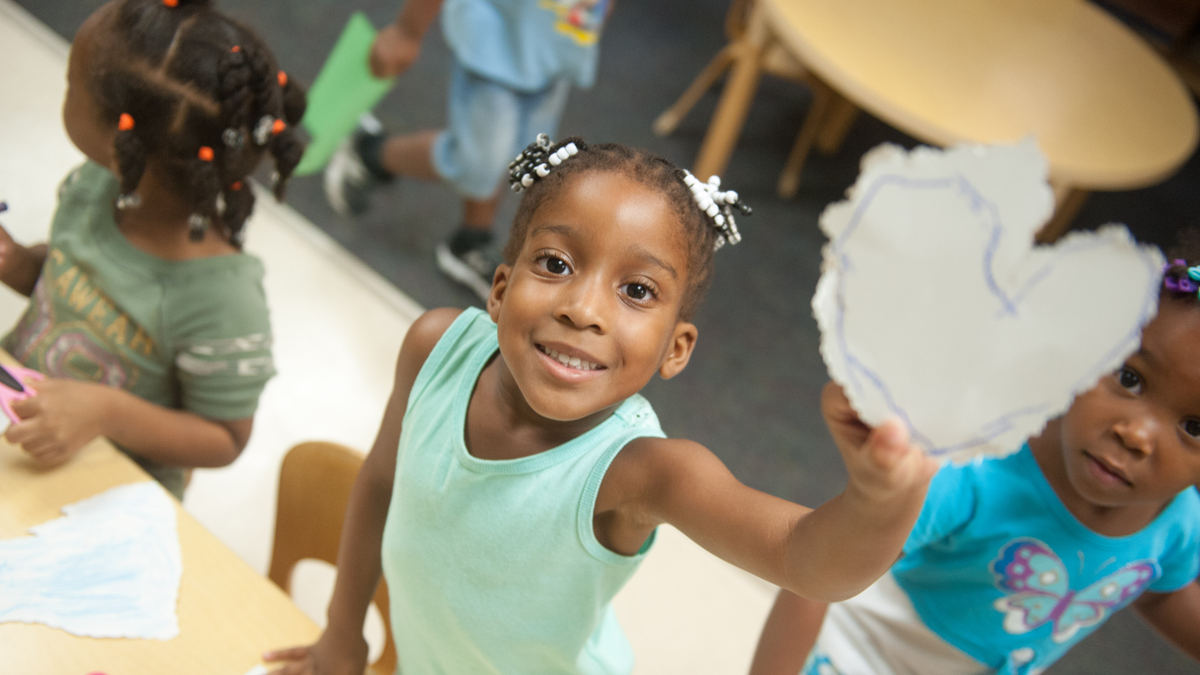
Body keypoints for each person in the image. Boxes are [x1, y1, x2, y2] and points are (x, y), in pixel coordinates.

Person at [264, 136, 938, 675]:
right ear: (499, 288)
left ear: (676, 349)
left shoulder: (642, 472)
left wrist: (883, 499)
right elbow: (381, 480)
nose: (582, 309)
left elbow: (804, 559)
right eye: (555, 264)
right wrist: (343, 632)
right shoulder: (435, 346)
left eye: (637, 290)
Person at [747, 238, 1200, 675]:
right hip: (854, 657)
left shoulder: (1179, 520)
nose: (1138, 435)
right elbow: (816, 579)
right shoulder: (971, 466)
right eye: (1130, 378)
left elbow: (1162, 592)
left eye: (1194, 427)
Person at [0, 0, 307, 499]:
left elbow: (225, 438)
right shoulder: (94, 186)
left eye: (71, 85)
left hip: (104, 495)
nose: (66, 88)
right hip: (20, 430)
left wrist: (105, 412)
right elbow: (64, 281)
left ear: (121, 141)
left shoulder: (222, 302)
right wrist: (17, 265)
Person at [323, 0, 613, 301]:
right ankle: (371, 153)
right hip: (496, 41)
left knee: (522, 155)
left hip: (554, 48)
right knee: (473, 162)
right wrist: (407, 31)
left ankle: (471, 239)